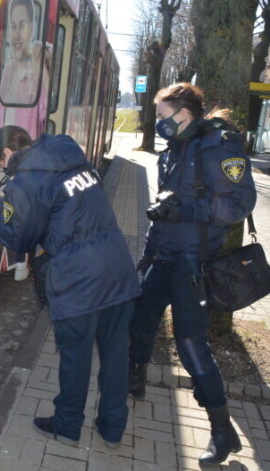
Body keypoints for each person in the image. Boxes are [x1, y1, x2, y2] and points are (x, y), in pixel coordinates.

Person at [0, 126, 141, 448]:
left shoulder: (28, 180)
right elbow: (61, 213)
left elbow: (20, 238)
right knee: (116, 356)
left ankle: (66, 426)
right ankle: (112, 427)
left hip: (79, 282)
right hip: (118, 271)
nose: (1, 169)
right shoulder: (74, 162)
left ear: (7, 154)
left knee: (75, 358)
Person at [129, 83, 257, 465]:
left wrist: (186, 210)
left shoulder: (219, 146)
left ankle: (223, 430)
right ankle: (133, 381)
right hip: (164, 257)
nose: (160, 123)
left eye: (164, 116)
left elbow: (237, 204)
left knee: (190, 344)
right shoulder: (174, 149)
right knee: (139, 319)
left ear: (185, 113)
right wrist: (146, 256)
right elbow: (161, 209)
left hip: (193, 264)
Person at [0, 0, 50, 137]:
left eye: (22, 25)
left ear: (32, 27)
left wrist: (40, 65)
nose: (17, 35)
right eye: (13, 26)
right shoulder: (8, 71)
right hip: (5, 154)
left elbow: (46, 115)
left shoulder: (36, 70)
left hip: (26, 156)